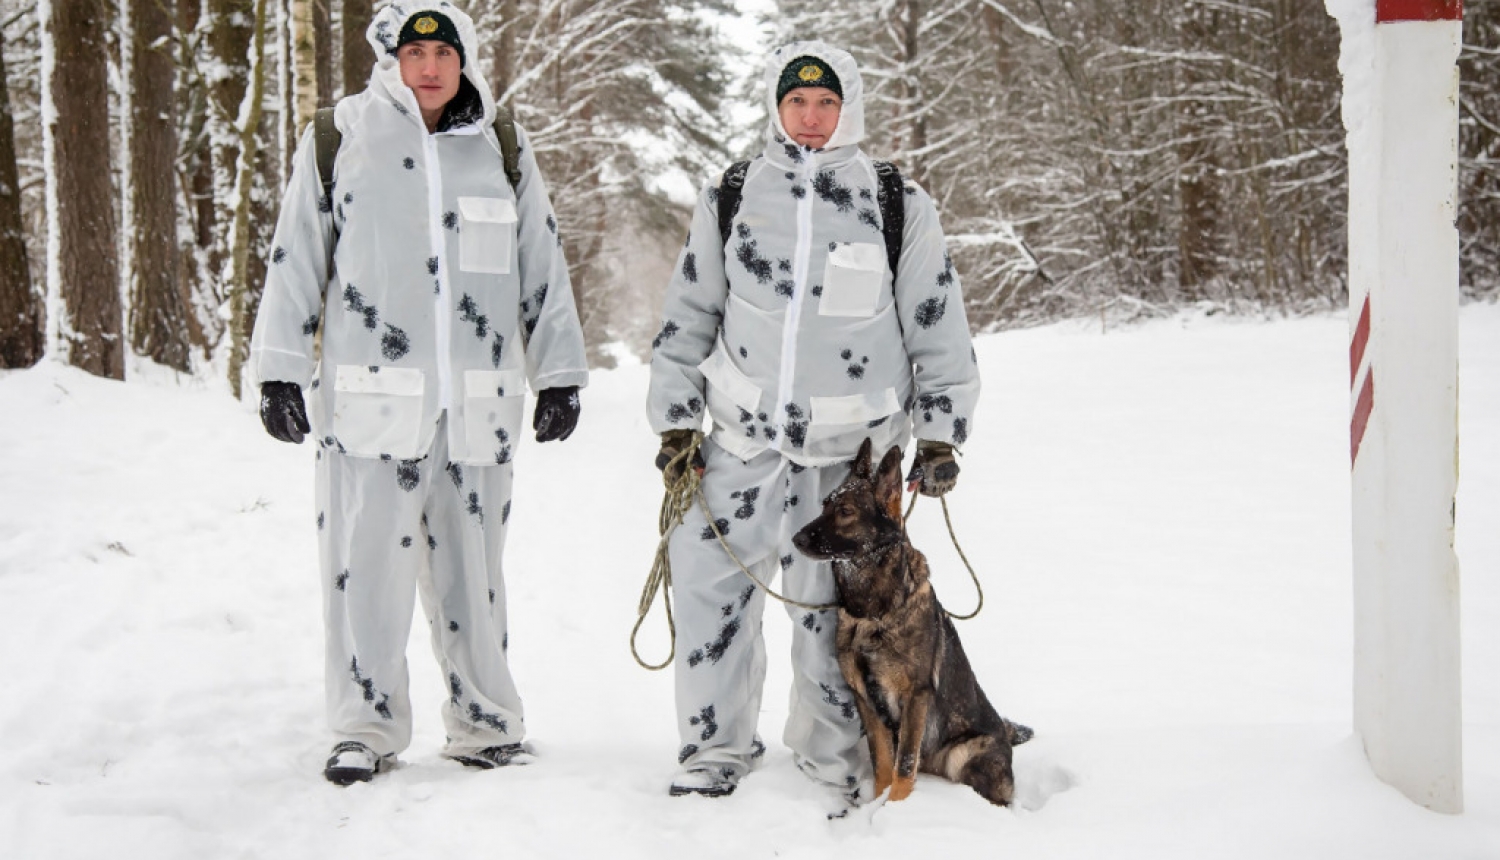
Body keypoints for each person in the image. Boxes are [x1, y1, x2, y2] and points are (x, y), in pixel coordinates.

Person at [250, 2, 588, 786]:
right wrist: (277, 367)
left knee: (477, 572)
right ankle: (362, 728)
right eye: (414, 50)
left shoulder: (500, 145)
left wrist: (559, 372)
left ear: (465, 58)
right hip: (370, 405)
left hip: (478, 406)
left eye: (444, 51)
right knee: (364, 573)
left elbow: (542, 257)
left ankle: (487, 723)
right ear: (390, 57)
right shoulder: (341, 137)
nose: (429, 66)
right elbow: (295, 253)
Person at [646, 41, 979, 801]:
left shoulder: (896, 204)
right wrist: (675, 423)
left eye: (826, 103)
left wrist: (939, 433)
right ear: (776, 107)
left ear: (848, 108)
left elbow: (938, 324)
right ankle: (712, 750)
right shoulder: (732, 195)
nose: (810, 118)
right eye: (797, 103)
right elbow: (689, 311)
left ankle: (833, 759)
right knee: (710, 598)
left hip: (847, 468)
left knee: (831, 619)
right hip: (736, 443)